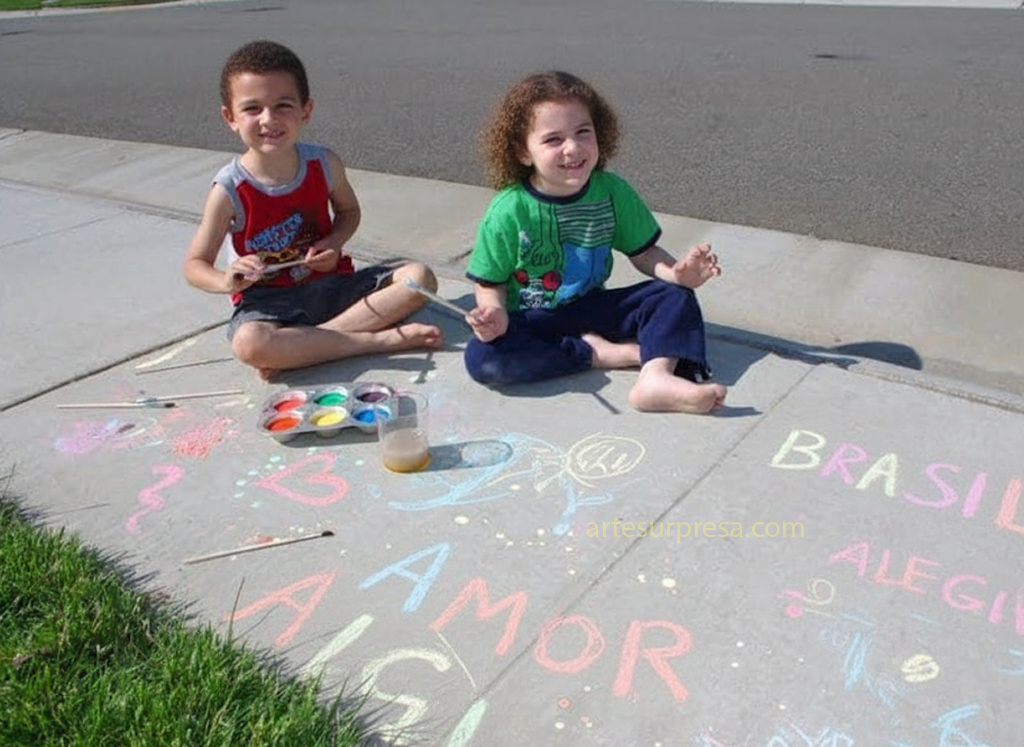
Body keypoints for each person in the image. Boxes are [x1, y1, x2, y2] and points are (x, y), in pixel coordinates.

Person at [463, 71, 727, 414]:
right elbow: (490, 284)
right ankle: (602, 354)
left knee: (673, 296)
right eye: (553, 139)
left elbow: (645, 252)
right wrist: (493, 313)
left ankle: (656, 377)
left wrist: (679, 274)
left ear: (599, 134)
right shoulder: (508, 210)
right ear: (522, 152)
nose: (572, 148)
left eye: (582, 132)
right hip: (532, 317)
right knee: (482, 358)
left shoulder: (612, 191)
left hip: (593, 305)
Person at [184, 40, 442, 381]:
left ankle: (306, 348)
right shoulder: (229, 189)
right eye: (252, 108)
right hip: (270, 304)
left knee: (419, 279)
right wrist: (227, 280)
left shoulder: (324, 164)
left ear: (306, 110)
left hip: (332, 287)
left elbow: (349, 212)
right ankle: (372, 342)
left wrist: (334, 242)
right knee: (249, 343)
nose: (269, 119)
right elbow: (194, 265)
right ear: (230, 117)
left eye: (283, 105)